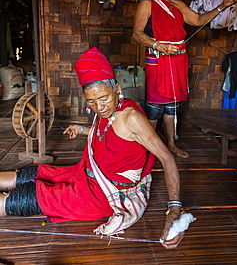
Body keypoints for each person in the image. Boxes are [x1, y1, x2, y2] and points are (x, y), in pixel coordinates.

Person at [0, 47, 185, 249]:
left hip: (102, 194)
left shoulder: (131, 117)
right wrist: (81, 129)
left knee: (30, 198)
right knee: (37, 172)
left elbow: (167, 158)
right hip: (83, 173)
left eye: (103, 98)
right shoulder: (106, 112)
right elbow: (110, 136)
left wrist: (174, 208)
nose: (99, 107)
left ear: (117, 88)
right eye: (91, 101)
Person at [133, 0, 237, 158]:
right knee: (155, 106)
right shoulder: (146, 5)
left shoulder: (178, 6)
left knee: (172, 104)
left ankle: (171, 144)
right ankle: (148, 148)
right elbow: (137, 33)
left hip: (177, 61)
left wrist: (223, 6)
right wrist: (158, 45)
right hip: (157, 59)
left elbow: (199, 20)